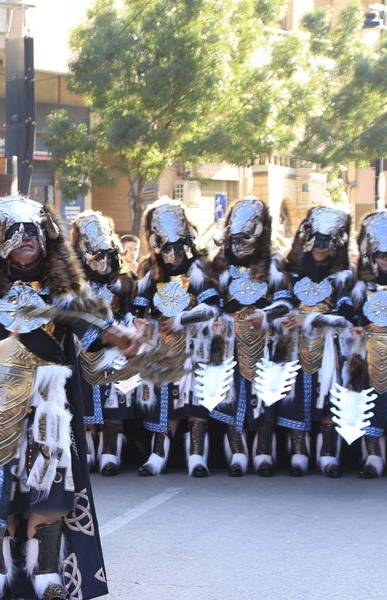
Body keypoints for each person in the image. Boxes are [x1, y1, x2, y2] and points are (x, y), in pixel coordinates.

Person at [0, 195, 119, 600]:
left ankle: (48, 579)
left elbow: (99, 335)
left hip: (45, 405)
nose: (23, 239)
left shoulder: (65, 292)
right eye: (13, 233)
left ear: (46, 237)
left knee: (47, 492)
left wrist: (123, 337)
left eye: (31, 231)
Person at [131, 200, 222, 477]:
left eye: (177, 247)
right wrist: (140, 323)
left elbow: (212, 307)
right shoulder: (150, 271)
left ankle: (196, 455)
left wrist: (182, 319)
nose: (172, 254)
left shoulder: (198, 270)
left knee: (194, 403)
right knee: (164, 406)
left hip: (195, 345)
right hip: (161, 347)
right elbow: (136, 309)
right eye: (166, 248)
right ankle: (157, 454)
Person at [207, 197, 293, 476]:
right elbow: (210, 304)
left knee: (265, 398)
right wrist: (216, 322)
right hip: (229, 342)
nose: (239, 244)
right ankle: (238, 453)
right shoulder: (219, 265)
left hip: (265, 342)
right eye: (235, 238)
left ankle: (264, 452)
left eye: (246, 238)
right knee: (232, 398)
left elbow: (285, 302)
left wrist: (266, 316)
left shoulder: (274, 263)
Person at [281, 207, 354, 478]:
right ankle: (299, 453)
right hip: (295, 347)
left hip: (330, 350)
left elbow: (346, 318)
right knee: (297, 398)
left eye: (327, 242)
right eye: (317, 241)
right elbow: (281, 304)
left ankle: (327, 455)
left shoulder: (344, 278)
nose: (321, 248)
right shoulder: (293, 274)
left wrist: (309, 320)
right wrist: (280, 317)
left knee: (328, 401)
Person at [71, 210, 137, 475]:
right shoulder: (73, 283)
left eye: (103, 254)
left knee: (114, 402)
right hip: (83, 348)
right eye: (93, 255)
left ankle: (110, 452)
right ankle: (87, 450)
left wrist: (129, 328)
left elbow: (133, 313)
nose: (100, 261)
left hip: (116, 348)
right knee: (86, 402)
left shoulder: (125, 281)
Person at [350, 210, 387, 478]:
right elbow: (345, 316)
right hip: (370, 353)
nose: (385, 260)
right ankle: (373, 457)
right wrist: (354, 328)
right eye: (381, 256)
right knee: (371, 404)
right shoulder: (362, 287)